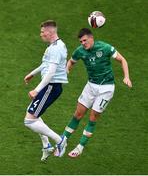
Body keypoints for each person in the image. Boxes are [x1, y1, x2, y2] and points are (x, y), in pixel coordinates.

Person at [55, 28, 132, 158]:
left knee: (92, 117)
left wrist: (127, 77)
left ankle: (80, 147)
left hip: (106, 89)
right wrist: (66, 71)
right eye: (81, 41)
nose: (83, 43)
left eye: (85, 40)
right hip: (90, 86)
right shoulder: (80, 51)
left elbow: (122, 60)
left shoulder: (105, 47)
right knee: (78, 114)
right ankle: (63, 141)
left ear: (91, 38)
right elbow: (71, 61)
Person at [24, 20, 68, 161]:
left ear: (50, 32)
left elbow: (50, 72)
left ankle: (59, 140)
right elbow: (45, 64)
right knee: (32, 112)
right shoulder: (54, 46)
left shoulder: (55, 49)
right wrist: (33, 73)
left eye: (43, 32)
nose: (41, 34)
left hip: (51, 87)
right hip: (50, 86)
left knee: (29, 121)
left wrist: (37, 89)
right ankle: (46, 146)